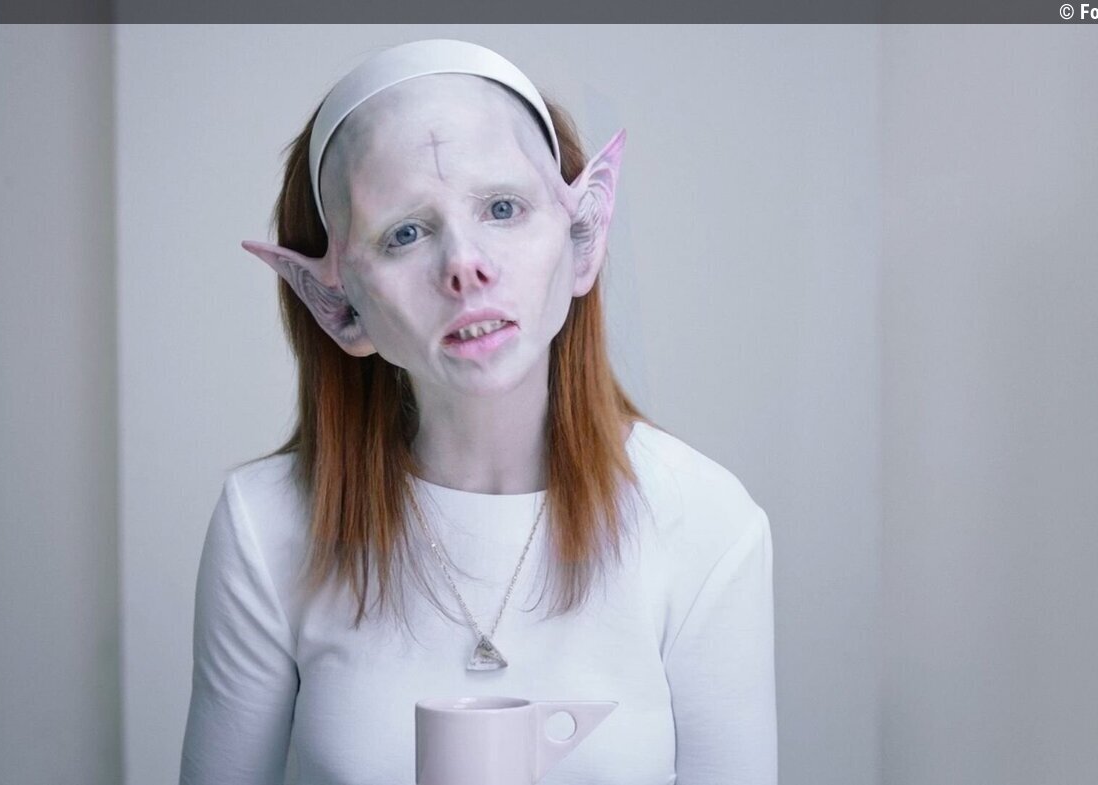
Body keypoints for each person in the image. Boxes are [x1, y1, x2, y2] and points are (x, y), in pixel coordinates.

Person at [180, 39, 777, 785]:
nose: (465, 265)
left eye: (502, 207)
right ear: (337, 304)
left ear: (583, 235)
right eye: (404, 232)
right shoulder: (266, 524)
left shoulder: (706, 520)